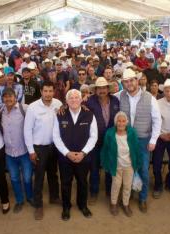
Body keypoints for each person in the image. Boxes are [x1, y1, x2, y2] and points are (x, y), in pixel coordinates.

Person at [115, 68, 162, 213]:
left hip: (142, 140)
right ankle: (126, 197)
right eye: (126, 81)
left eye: (131, 80)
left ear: (137, 80)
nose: (129, 83)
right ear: (123, 83)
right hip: (126, 138)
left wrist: (153, 139)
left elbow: (157, 120)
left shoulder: (150, 98)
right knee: (125, 168)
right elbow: (106, 98)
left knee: (143, 170)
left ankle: (142, 198)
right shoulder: (119, 95)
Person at [53, 89, 98, 221]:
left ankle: (82, 205)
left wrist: (83, 153)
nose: (74, 100)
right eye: (70, 98)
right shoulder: (60, 114)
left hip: (83, 157)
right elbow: (56, 137)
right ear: (66, 101)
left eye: (76, 97)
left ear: (81, 100)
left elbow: (93, 136)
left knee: (83, 182)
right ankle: (66, 207)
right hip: (65, 158)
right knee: (65, 183)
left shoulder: (89, 114)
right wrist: (67, 153)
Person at [24, 80, 61, 220]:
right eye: (45, 91)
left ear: (54, 91)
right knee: (39, 177)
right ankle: (38, 205)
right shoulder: (33, 108)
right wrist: (31, 151)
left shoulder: (58, 104)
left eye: (50, 91)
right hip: (38, 148)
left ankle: (54, 197)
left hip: (54, 146)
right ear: (41, 91)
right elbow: (27, 130)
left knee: (53, 174)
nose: (48, 94)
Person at [85, 77, 120, 203]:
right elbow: (77, 107)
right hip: (95, 141)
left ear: (108, 89)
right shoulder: (89, 101)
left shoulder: (115, 100)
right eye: (99, 88)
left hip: (111, 140)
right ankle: (93, 192)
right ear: (95, 90)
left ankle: (109, 191)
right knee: (94, 167)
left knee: (110, 167)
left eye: (104, 87)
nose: (102, 90)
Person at [100, 111, 141, 217]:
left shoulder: (131, 133)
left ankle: (125, 204)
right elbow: (105, 149)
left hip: (129, 165)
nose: (121, 123)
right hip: (116, 165)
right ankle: (113, 203)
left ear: (126, 122)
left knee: (127, 186)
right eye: (119, 121)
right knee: (116, 185)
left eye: (123, 121)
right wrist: (105, 163)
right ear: (115, 122)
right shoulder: (110, 133)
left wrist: (137, 163)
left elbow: (136, 149)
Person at [1, 88, 33, 213]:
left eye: (10, 96)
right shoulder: (1, 111)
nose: (8, 99)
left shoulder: (24, 108)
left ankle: (29, 197)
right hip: (9, 153)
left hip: (24, 151)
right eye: (5, 97)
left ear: (15, 97)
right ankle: (20, 200)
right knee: (14, 178)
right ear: (2, 98)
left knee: (27, 177)